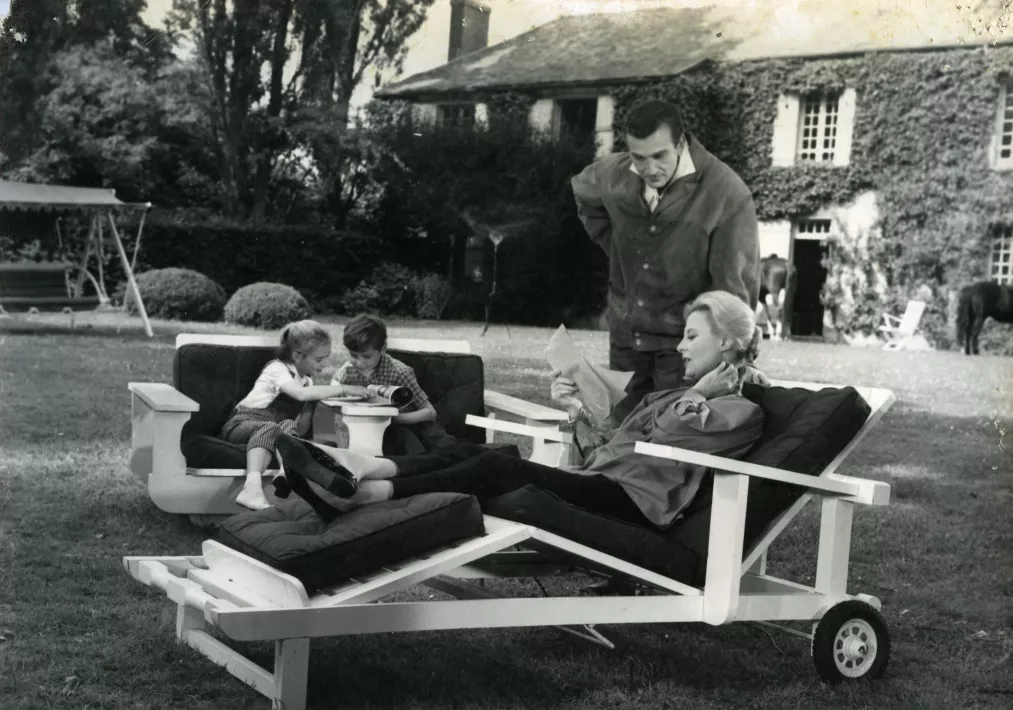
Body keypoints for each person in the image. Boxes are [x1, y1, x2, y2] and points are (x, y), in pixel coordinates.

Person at [278, 291, 767, 531]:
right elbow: (611, 449)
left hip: (631, 503)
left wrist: (702, 393)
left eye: (692, 336)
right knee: (489, 454)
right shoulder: (677, 395)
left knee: (498, 466)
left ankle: (364, 494)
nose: (680, 346)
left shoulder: (739, 412)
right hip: (603, 481)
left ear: (727, 343)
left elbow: (673, 436)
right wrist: (574, 409)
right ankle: (357, 466)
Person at [570, 99, 761, 420]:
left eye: (659, 156)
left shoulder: (726, 193)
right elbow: (583, 192)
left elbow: (734, 292)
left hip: (684, 346)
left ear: (681, 144)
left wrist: (738, 361)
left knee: (673, 430)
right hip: (627, 338)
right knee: (623, 430)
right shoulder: (612, 174)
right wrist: (620, 248)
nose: (649, 169)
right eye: (639, 157)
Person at [220, 320, 367, 511]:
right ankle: (251, 488)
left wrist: (311, 405)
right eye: (319, 360)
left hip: (272, 430)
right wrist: (343, 389)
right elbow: (299, 394)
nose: (324, 365)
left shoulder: (307, 382)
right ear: (297, 356)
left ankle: (286, 473)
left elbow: (301, 429)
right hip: (241, 425)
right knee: (272, 427)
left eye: (326, 359)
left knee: (287, 425)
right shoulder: (278, 369)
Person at [331, 314, 454, 454]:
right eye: (353, 355)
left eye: (366, 356)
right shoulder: (348, 370)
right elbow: (334, 386)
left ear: (383, 348)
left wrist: (394, 418)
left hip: (404, 434)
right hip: (366, 433)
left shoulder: (399, 372)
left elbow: (430, 413)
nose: (359, 363)